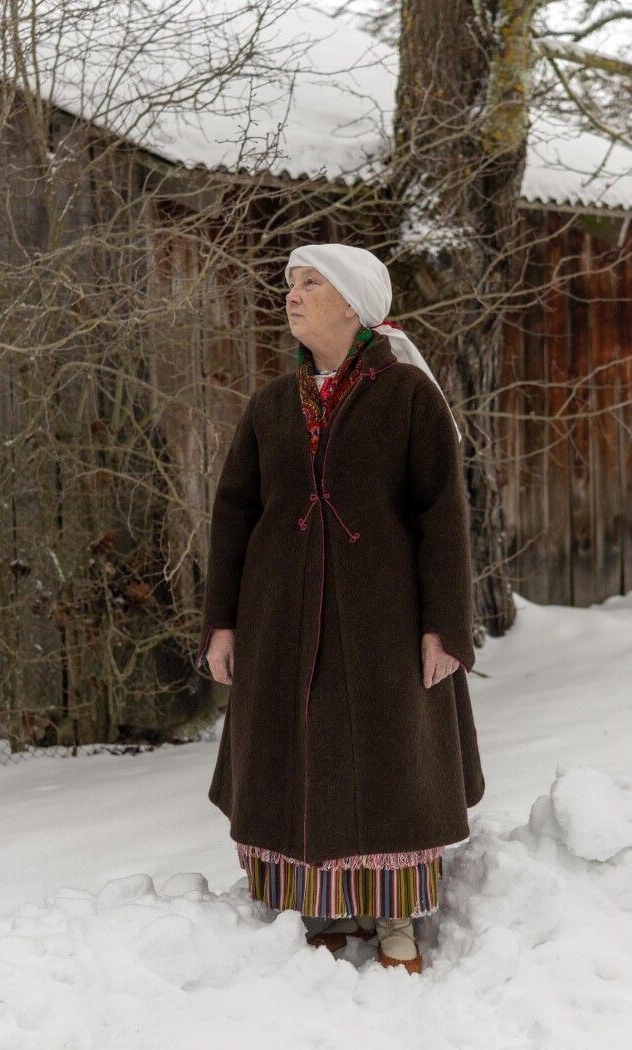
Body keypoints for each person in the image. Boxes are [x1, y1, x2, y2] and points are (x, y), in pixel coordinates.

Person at [196, 243, 485, 973]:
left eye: (309, 283)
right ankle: (321, 907)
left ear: (353, 305)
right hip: (280, 618)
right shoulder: (271, 405)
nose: (292, 295)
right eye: (290, 283)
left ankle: (394, 919)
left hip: (385, 618)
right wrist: (222, 623)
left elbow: (442, 517)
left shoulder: (408, 396)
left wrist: (445, 627)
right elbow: (234, 516)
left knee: (390, 759)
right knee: (299, 752)